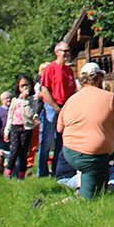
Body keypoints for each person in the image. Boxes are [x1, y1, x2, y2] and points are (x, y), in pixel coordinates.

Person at [58, 61, 114, 200]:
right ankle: (54, 206)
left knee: (100, 189)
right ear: (100, 78)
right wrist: (109, 136)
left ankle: (86, 190)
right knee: (88, 198)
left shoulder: (72, 99)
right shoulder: (109, 98)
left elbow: (60, 128)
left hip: (71, 151)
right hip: (91, 156)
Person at [38, 41, 77, 177]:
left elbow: (72, 91)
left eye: (68, 51)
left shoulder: (69, 71)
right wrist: (55, 107)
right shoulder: (50, 68)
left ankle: (57, 170)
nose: (66, 54)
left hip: (65, 108)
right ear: (57, 52)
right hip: (52, 107)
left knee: (61, 141)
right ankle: (42, 172)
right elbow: (45, 90)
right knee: (47, 141)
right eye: (64, 51)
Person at [5, 76, 38, 179]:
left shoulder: (32, 100)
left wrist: (25, 100)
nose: (24, 88)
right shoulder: (15, 100)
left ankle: (21, 175)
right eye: (22, 86)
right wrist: (7, 131)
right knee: (14, 150)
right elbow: (10, 116)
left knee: (23, 151)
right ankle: (8, 172)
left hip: (26, 128)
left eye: (26, 85)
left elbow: (31, 113)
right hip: (15, 127)